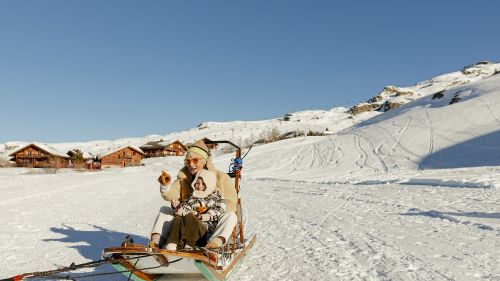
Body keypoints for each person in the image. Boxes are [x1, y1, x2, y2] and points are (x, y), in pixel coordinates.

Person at [150, 139, 238, 249]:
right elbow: (172, 195)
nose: (191, 165)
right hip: (187, 219)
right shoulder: (184, 178)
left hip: (211, 224)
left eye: (195, 160)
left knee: (231, 215)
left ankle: (214, 245)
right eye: (188, 161)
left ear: (205, 160)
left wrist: (207, 212)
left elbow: (231, 204)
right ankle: (157, 241)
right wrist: (165, 186)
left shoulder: (222, 177)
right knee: (164, 210)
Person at [164, 169, 226, 250]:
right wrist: (177, 208)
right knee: (178, 218)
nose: (200, 187)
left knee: (190, 216)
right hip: (188, 231)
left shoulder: (217, 198)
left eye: (204, 184)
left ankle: (190, 246)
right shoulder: (191, 198)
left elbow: (217, 212)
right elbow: (185, 210)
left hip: (204, 233)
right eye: (197, 183)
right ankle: (171, 244)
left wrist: (199, 216)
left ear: (210, 184)